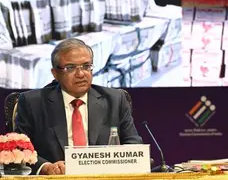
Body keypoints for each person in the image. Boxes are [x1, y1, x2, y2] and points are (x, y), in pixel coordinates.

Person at [14, 38, 142, 175]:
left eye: (86, 66)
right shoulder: (33, 103)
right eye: (70, 68)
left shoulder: (114, 99)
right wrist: (46, 167)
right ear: (55, 74)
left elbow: (133, 143)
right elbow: (20, 148)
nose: (80, 74)